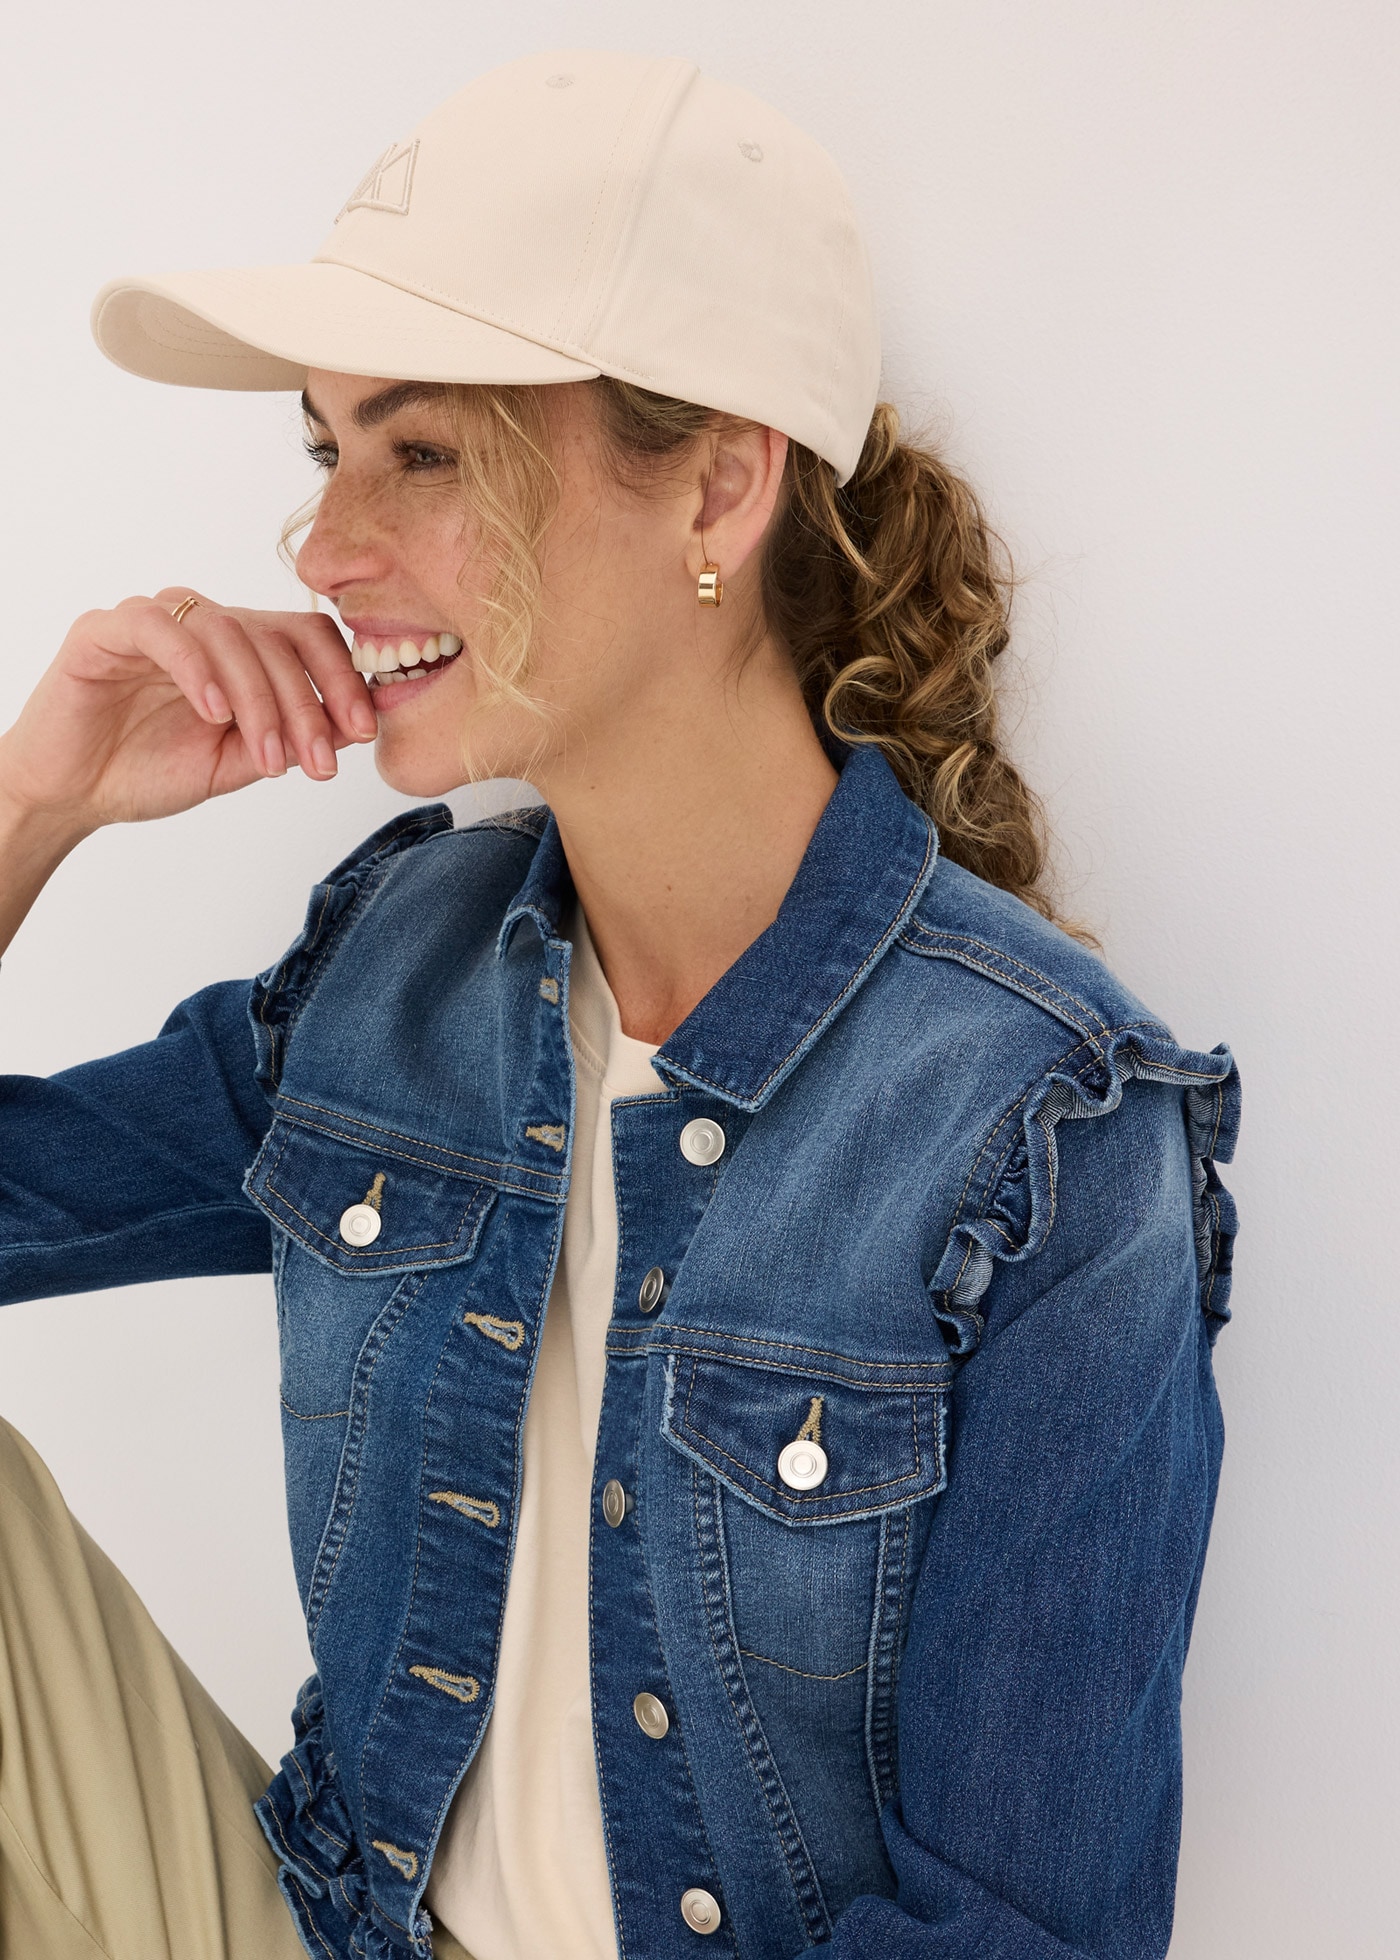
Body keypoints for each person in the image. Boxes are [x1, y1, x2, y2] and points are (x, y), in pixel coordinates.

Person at [0, 46, 1240, 1960]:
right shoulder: (398, 974)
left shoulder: (1045, 1130)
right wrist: (35, 802)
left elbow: (1025, 1934)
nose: (323, 552)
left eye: (420, 451)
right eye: (326, 452)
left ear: (723, 485)